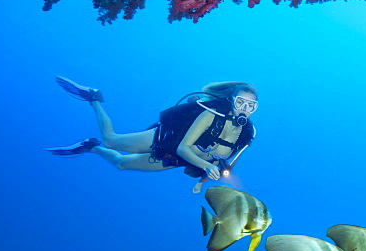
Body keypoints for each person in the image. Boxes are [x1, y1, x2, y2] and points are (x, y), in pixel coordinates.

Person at [46, 77, 257, 193]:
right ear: (232, 100)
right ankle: (94, 98)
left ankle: (90, 146)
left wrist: (202, 181)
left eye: (251, 106)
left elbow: (227, 165)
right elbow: (183, 147)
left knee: (121, 164)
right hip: (167, 138)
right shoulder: (212, 115)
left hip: (174, 160)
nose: (244, 109)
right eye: (240, 102)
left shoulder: (247, 133)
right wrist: (206, 167)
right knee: (111, 140)